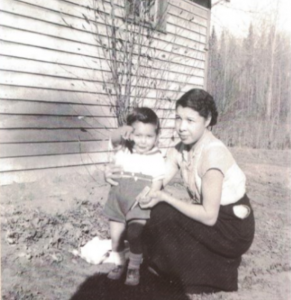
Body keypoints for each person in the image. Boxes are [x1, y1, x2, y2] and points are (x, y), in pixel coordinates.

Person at [105, 89, 255, 294]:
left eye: (190, 120)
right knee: (151, 210)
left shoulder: (213, 155)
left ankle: (216, 267)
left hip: (231, 228)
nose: (181, 127)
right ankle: (196, 263)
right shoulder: (180, 149)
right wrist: (115, 173)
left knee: (162, 211)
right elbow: (153, 182)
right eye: (178, 118)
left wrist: (165, 197)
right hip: (213, 219)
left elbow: (210, 216)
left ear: (207, 120)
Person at [103, 107, 165, 286]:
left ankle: (134, 268)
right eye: (138, 135)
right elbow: (113, 139)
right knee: (116, 238)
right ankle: (119, 264)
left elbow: (157, 181)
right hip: (117, 200)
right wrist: (120, 132)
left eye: (149, 136)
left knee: (134, 234)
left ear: (156, 136)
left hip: (139, 201)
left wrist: (151, 197)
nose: (144, 141)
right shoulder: (123, 149)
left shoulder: (157, 157)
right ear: (130, 134)